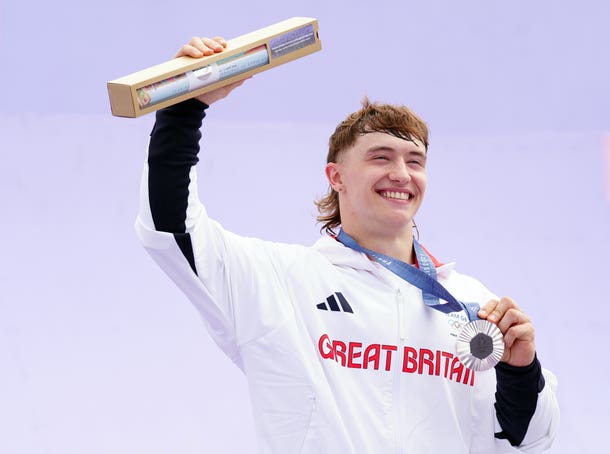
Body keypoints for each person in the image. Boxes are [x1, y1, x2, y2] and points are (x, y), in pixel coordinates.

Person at [135, 36, 559, 453]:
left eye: (415, 161)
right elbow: (172, 229)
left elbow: (530, 441)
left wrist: (520, 371)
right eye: (380, 157)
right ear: (336, 177)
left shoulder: (473, 305)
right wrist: (185, 110)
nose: (401, 173)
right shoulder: (277, 280)